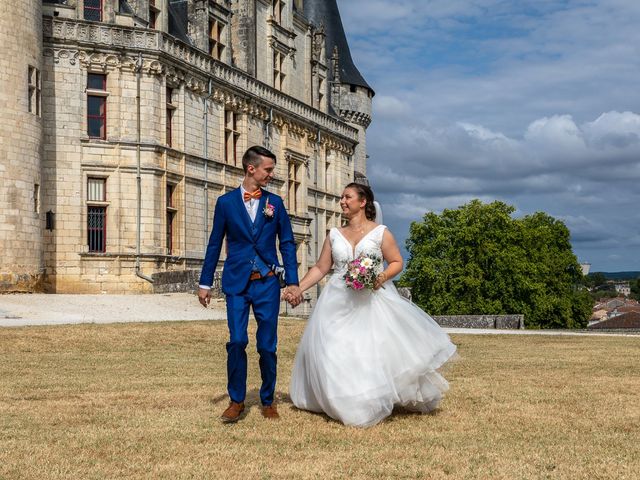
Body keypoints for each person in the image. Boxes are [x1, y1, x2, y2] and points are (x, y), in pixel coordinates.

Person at [286, 183, 457, 428]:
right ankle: (340, 399)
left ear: (363, 201)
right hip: (337, 299)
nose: (342, 201)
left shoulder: (380, 232)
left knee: (368, 349)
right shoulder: (334, 234)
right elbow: (321, 268)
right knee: (335, 348)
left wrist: (381, 277)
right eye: (341, 198)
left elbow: (397, 261)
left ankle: (368, 398)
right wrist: (299, 288)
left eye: (347, 197)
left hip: (371, 298)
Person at [199, 145, 303, 423]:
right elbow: (214, 243)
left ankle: (268, 401)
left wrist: (291, 281)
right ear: (251, 168)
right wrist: (205, 282)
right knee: (237, 340)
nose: (272, 175)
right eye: (268, 170)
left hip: (268, 283)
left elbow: (288, 243)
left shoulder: (275, 203)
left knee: (267, 345)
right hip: (236, 283)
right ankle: (236, 400)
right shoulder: (225, 203)